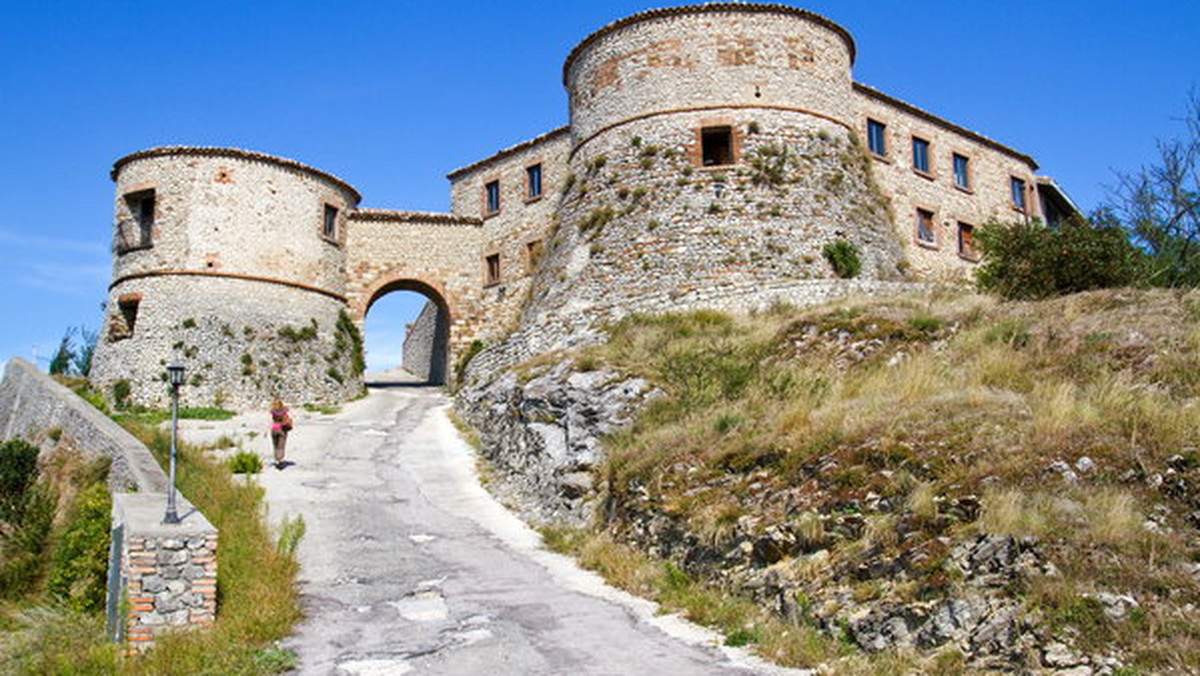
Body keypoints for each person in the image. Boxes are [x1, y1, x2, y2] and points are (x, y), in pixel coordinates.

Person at [269, 398, 292, 469]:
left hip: (274, 429)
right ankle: (280, 460)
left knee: (275, 445)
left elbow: (271, 419)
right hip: (281, 429)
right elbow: (288, 415)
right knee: (281, 446)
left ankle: (276, 459)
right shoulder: (284, 411)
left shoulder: (272, 411)